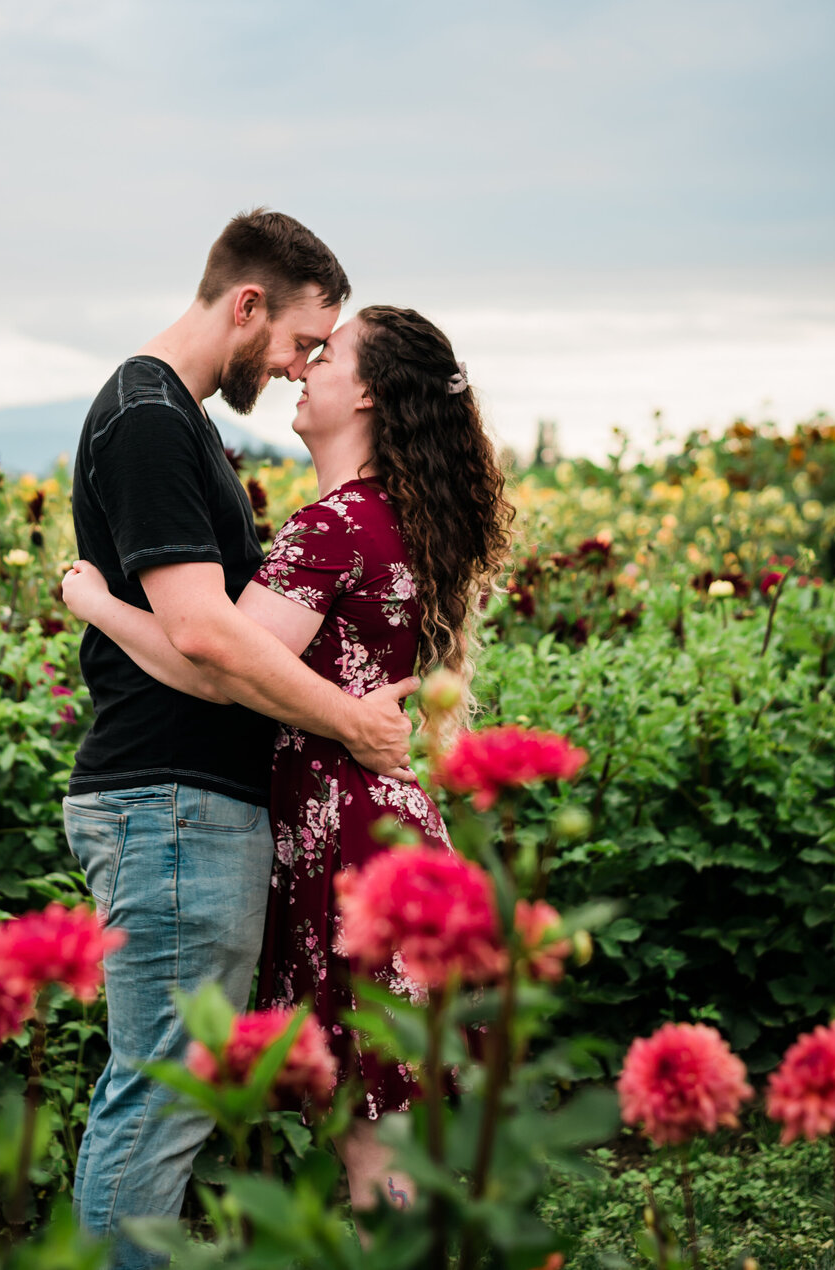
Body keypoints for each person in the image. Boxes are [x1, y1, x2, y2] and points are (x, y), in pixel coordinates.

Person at [64, 303, 513, 1216]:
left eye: (328, 355)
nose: (305, 367)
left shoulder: (336, 525)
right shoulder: (400, 518)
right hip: (390, 825)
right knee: (387, 1116)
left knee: (369, 1130)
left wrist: (97, 604)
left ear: (370, 394)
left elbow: (215, 663)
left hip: (340, 832)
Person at [60, 211, 418, 1265]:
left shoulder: (175, 418)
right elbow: (207, 633)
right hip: (169, 800)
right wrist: (352, 719)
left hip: (185, 802)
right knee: (161, 1097)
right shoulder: (151, 418)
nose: (304, 364)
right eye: (305, 339)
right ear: (248, 302)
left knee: (176, 1092)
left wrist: (94, 600)